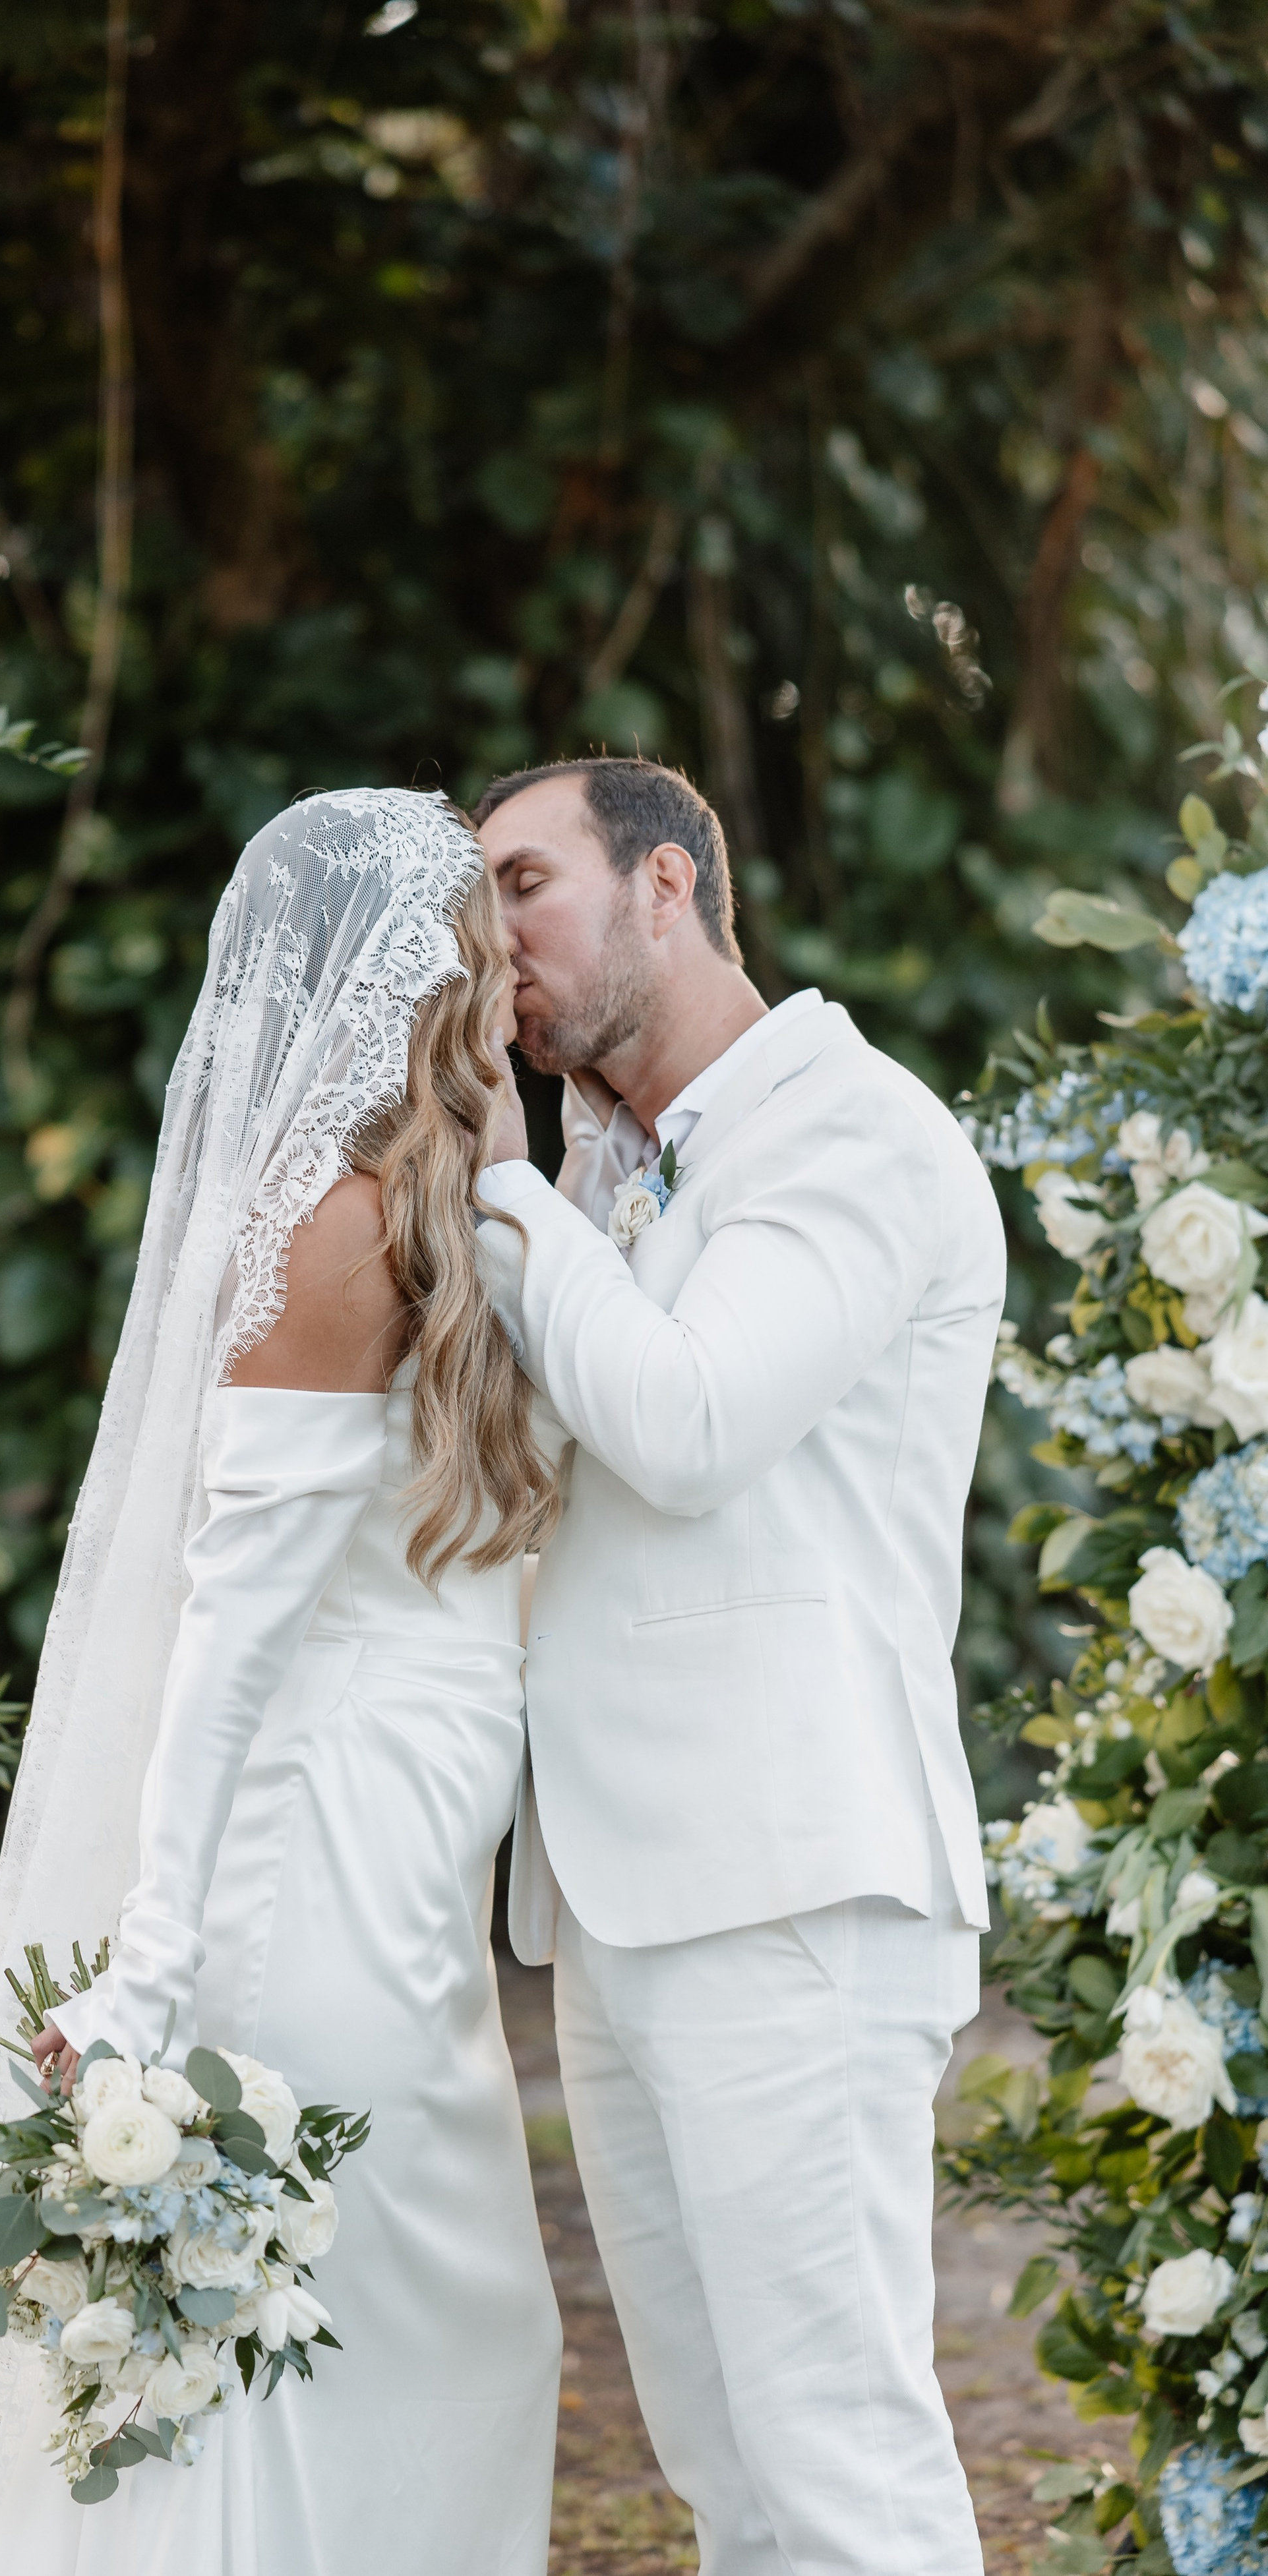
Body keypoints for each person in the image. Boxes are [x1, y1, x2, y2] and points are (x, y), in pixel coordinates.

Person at [0, 790, 564, 2576]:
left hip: (405, 1871)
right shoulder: (332, 1233)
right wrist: (155, 1969)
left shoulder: (439, 1206)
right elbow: (226, 1638)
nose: (508, 955)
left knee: (418, 2340)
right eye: (476, 925)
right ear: (396, 971)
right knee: (343, 2356)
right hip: (319, 1873)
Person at [473, 756, 1005, 2576]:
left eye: (527, 884)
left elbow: (694, 1425)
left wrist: (506, 1188)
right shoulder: (627, 1170)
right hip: (626, 1890)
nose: (498, 944)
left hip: (791, 1884)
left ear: (671, 885)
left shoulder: (849, 1129)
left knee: (837, 2460)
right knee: (728, 2475)